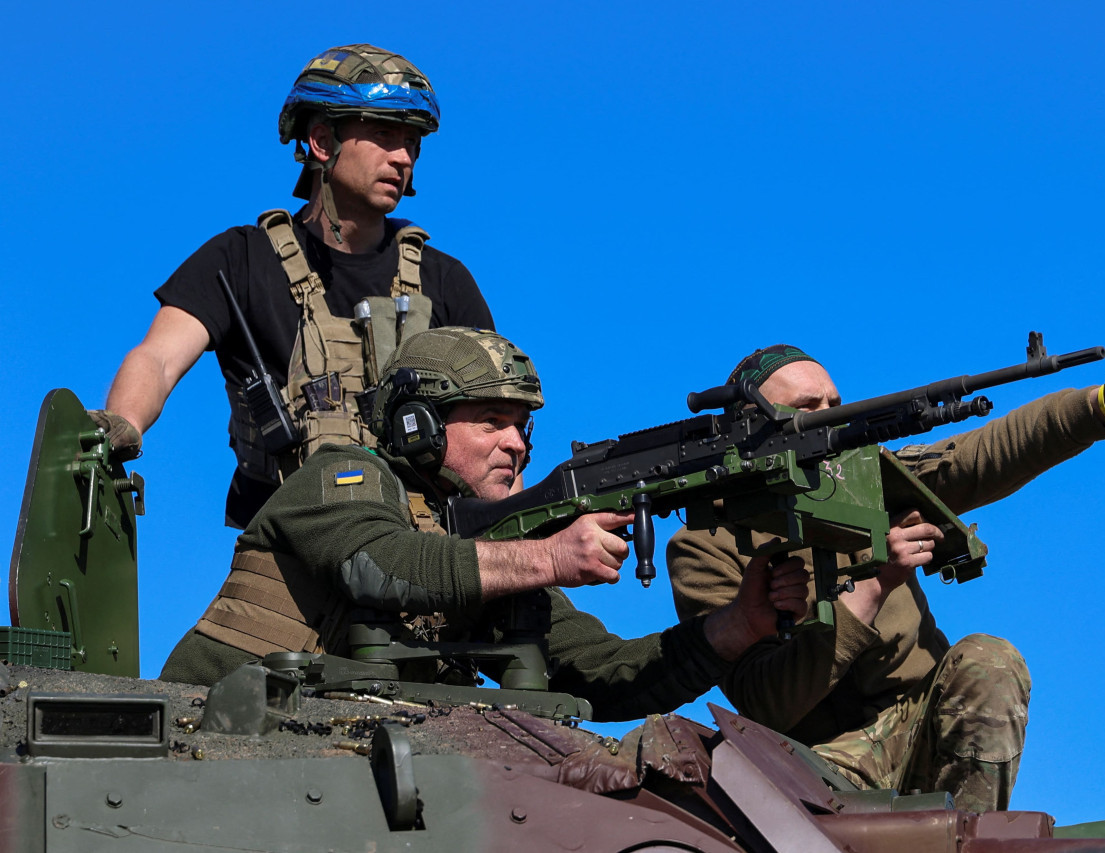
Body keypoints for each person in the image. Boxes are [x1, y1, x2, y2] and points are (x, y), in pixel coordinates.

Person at [667, 344, 1105, 811]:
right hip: (812, 760)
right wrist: (874, 585)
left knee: (989, 660)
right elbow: (764, 703)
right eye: (807, 407)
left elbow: (979, 456)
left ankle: (970, 841)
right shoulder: (705, 544)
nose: (830, 416)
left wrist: (1103, 403)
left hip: (921, 722)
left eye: (835, 403)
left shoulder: (864, 481)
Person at [160, 328, 810, 723]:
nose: (516, 444)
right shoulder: (341, 478)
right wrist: (549, 558)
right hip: (199, 734)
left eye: (522, 425)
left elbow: (600, 673)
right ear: (418, 424)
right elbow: (383, 565)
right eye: (491, 421)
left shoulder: (494, 549)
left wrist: (738, 625)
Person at [92, 44, 494, 528]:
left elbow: (494, 424)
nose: (403, 156)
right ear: (322, 141)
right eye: (384, 134)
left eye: (412, 141)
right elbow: (157, 357)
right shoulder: (239, 259)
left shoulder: (444, 279)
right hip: (286, 549)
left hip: (423, 540)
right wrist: (122, 425)